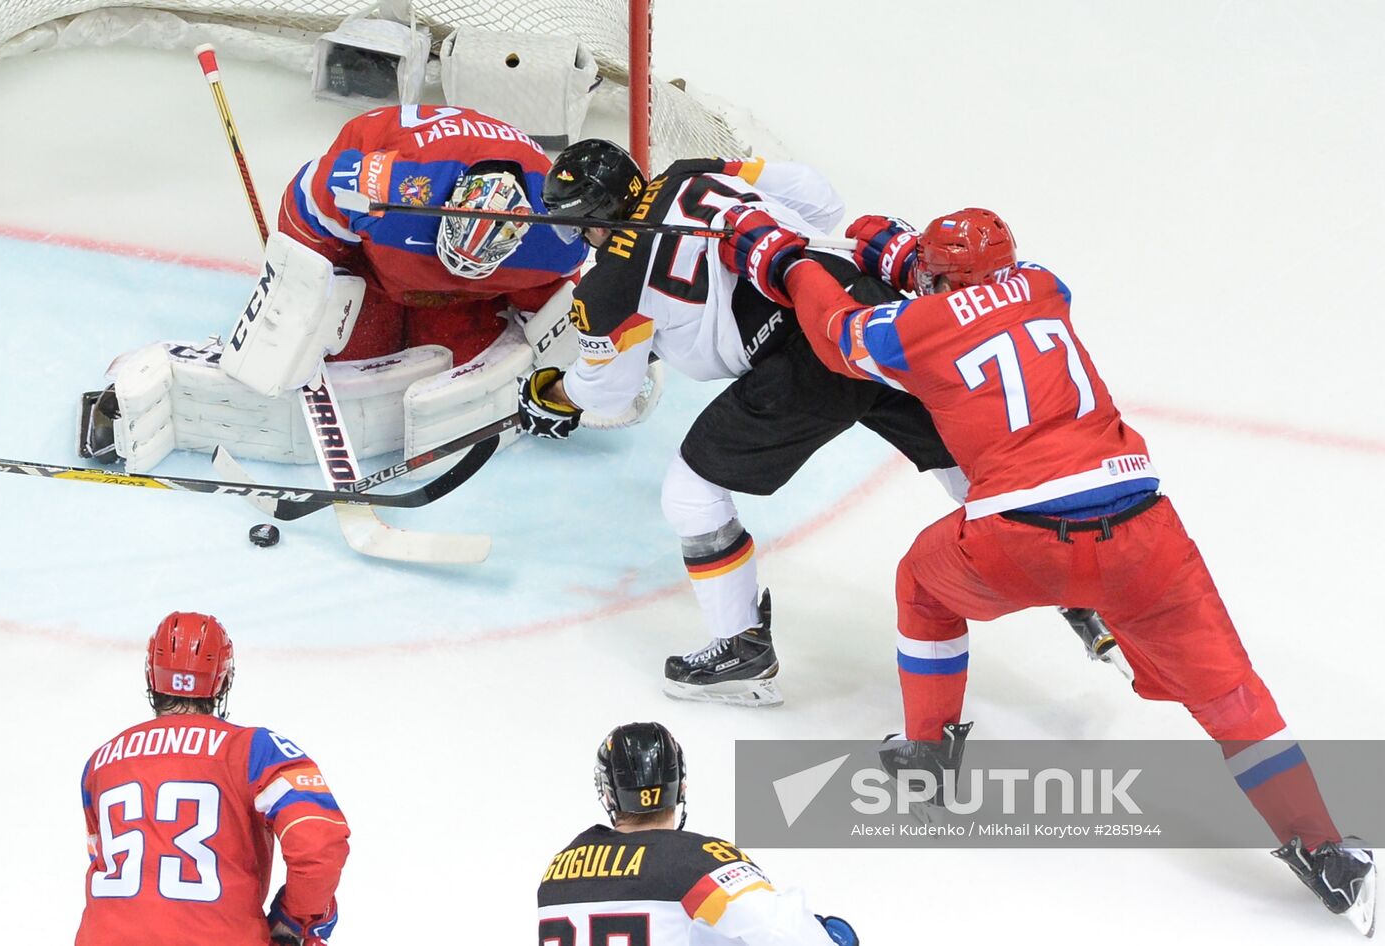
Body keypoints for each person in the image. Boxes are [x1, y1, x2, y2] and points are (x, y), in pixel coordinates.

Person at [719, 205, 1377, 935]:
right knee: (1234, 701)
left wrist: (782, 260)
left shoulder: (913, 330)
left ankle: (929, 751)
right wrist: (908, 258)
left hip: (1018, 540)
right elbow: (973, 296)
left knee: (922, 585)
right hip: (1142, 537)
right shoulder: (1043, 285)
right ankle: (1326, 849)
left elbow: (839, 333)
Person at [517, 139, 963, 706]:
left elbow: (610, 392)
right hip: (870, 308)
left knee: (692, 489)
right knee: (962, 456)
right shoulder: (690, 171)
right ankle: (1066, 561)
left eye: (580, 227)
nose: (582, 239)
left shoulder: (609, 286)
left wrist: (555, 394)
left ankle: (741, 647)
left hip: (808, 358)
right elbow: (819, 198)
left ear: (596, 216)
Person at [81, 104, 589, 476]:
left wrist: (581, 358)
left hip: (466, 292)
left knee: (463, 358)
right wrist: (306, 284)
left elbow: (555, 298)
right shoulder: (384, 187)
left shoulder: (556, 241)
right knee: (346, 349)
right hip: (376, 261)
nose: (460, 265)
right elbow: (304, 204)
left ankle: (447, 299)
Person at [76, 612, 350, 946]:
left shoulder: (100, 764)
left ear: (151, 675)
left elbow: (104, 861)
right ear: (223, 679)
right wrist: (296, 921)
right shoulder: (255, 750)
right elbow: (319, 844)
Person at [537, 721, 857, 946]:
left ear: (608, 794)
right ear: (681, 786)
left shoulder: (557, 872)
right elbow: (786, 933)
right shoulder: (692, 861)